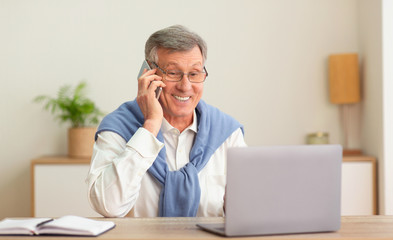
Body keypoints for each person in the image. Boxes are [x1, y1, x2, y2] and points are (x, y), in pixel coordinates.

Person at [86, 25, 246, 217]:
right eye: (172, 73)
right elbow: (109, 206)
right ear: (149, 73)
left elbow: (248, 209)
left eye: (194, 74)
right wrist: (151, 125)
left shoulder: (227, 133)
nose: (185, 86)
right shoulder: (117, 128)